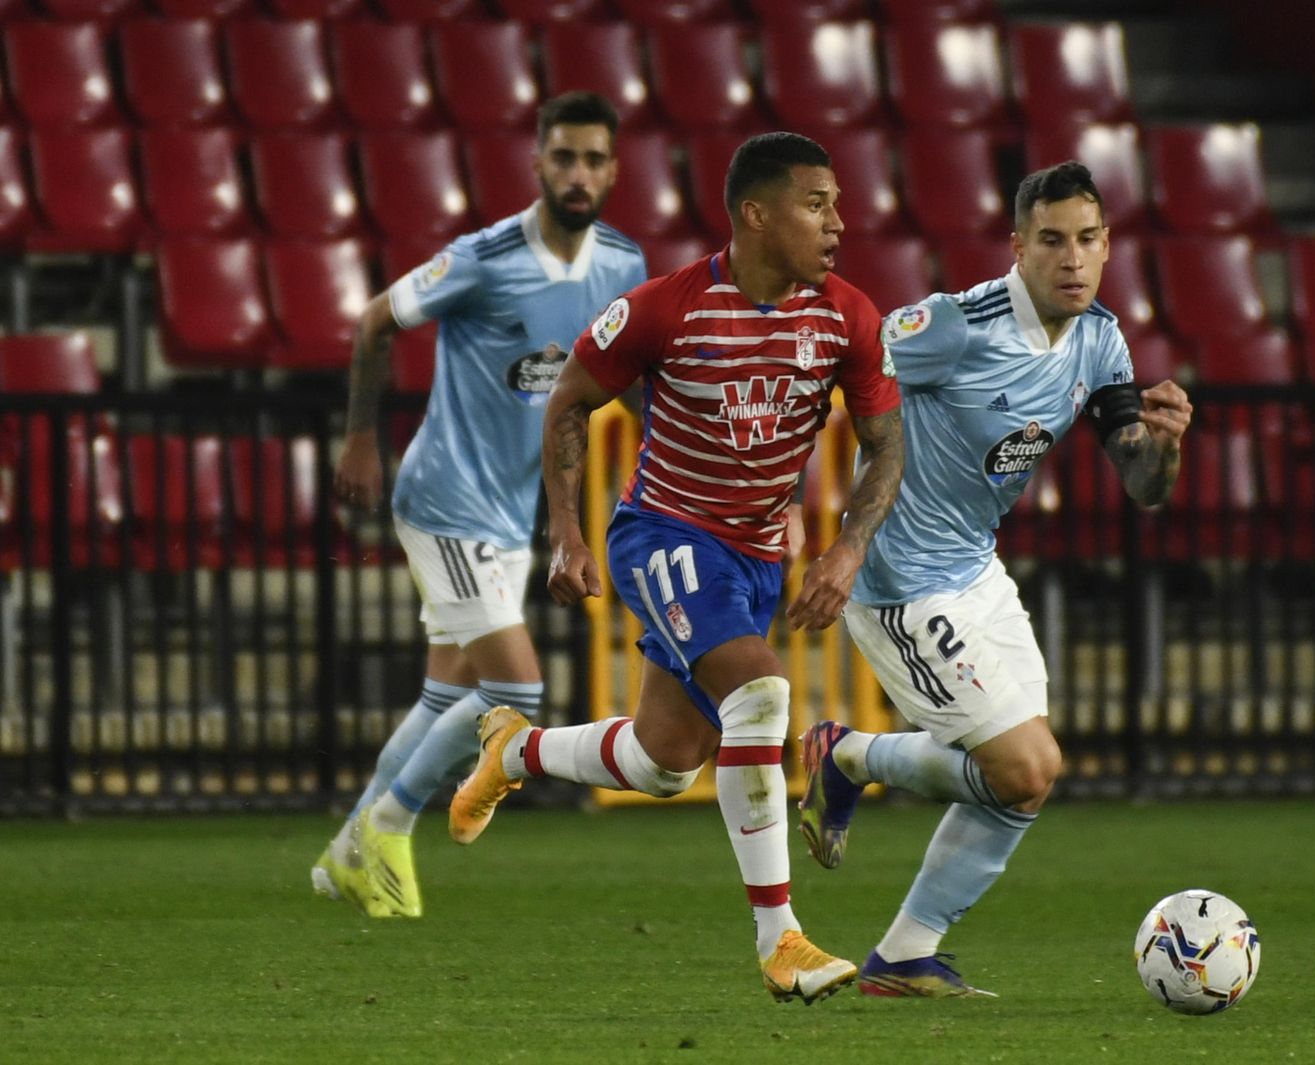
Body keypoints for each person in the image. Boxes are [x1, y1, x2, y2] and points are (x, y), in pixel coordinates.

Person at [449, 132, 905, 1003]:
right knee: (764, 696)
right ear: (756, 214)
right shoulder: (668, 307)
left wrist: (848, 547)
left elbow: (887, 444)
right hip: (665, 535)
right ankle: (783, 941)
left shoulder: (847, 315)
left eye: (838, 204)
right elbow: (571, 398)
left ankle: (513, 752)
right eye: (818, 204)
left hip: (756, 558)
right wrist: (567, 535)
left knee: (666, 760)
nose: (839, 223)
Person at [796, 162, 1192, 996]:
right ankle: (849, 754)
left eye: (1088, 240)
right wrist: (834, 531)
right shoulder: (955, 325)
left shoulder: (1100, 339)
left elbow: (1141, 483)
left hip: (976, 568)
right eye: (1052, 241)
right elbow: (842, 366)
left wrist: (1164, 447)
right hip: (901, 577)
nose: (1073, 260)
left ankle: (903, 953)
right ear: (1019, 247)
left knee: (1026, 778)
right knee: (1021, 765)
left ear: (1108, 244)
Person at [311, 91, 646, 919]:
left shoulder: (622, 266)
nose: (578, 174)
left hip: (510, 512)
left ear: (614, 169)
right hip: (444, 498)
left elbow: (628, 381)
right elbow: (373, 322)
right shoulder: (484, 256)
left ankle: (344, 850)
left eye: (593, 159)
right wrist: (361, 439)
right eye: (563, 157)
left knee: (443, 697)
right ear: (536, 161)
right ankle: (387, 830)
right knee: (517, 694)